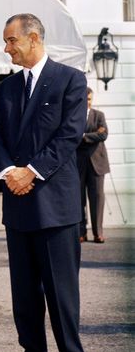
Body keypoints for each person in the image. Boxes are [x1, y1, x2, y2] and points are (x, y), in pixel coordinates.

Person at [0, 13, 87, 352]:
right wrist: (7, 172)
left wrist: (30, 172)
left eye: (11, 40)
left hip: (55, 206)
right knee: (24, 291)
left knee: (61, 291)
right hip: (16, 204)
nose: (6, 49)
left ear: (34, 38)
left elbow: (69, 136)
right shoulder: (7, 87)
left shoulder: (70, 80)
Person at [76, 87, 110, 244]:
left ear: (92, 99)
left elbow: (103, 134)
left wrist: (84, 136)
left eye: (90, 99)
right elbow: (72, 136)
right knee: (79, 199)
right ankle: (81, 232)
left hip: (97, 164)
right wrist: (92, 135)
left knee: (97, 199)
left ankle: (98, 233)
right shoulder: (74, 116)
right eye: (85, 99)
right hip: (78, 164)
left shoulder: (99, 115)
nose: (87, 102)